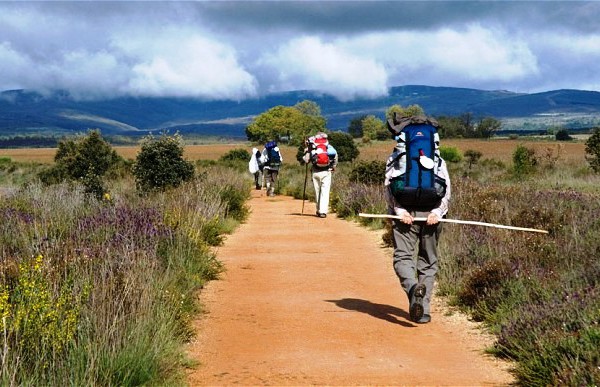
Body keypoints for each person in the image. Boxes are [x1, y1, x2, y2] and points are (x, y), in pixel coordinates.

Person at [384, 126, 451, 324]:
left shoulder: (396, 158)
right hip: (432, 215)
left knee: (402, 257)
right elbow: (446, 189)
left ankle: (413, 288)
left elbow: (388, 187)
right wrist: (437, 212)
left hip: (405, 214)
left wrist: (400, 211)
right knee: (428, 260)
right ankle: (424, 311)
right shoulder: (438, 159)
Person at [303, 132, 338, 218]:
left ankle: (318, 210)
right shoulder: (329, 147)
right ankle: (323, 211)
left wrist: (307, 151)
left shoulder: (312, 147)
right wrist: (333, 166)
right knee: (325, 192)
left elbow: (306, 160)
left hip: (315, 171)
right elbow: (335, 157)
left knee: (317, 191)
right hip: (326, 171)